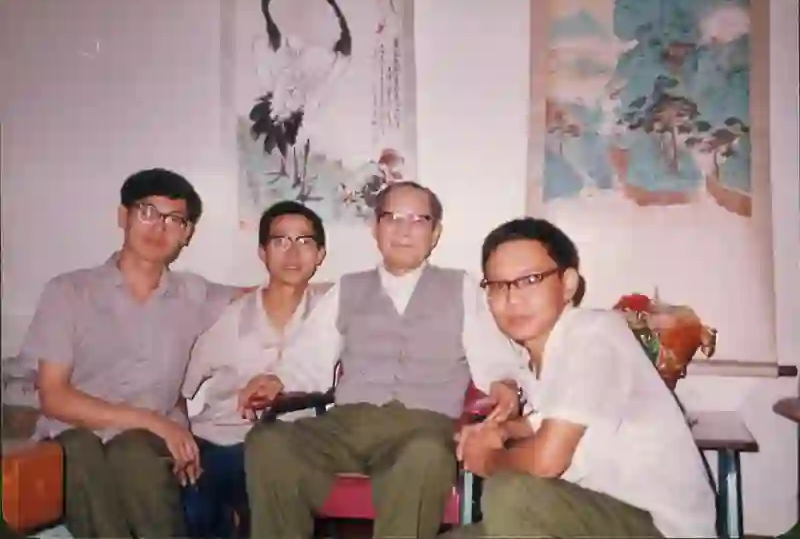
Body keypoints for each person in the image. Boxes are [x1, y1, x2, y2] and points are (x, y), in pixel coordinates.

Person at [241, 181, 528, 539]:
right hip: (345, 425)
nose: (404, 230)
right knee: (268, 441)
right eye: (393, 218)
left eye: (418, 220)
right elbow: (308, 358)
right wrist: (275, 381)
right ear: (375, 228)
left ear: (435, 233)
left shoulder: (462, 287)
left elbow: (494, 356)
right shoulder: (348, 288)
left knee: (425, 455)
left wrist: (505, 384)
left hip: (423, 426)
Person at [446, 217, 717, 538]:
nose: (512, 298)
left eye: (530, 280)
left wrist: (488, 459)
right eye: (497, 285)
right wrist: (498, 430)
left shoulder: (592, 334)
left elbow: (547, 460)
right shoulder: (539, 356)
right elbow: (545, 420)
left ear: (569, 284)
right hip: (594, 511)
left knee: (511, 492)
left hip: (658, 526)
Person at [19, 168, 250, 539]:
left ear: (187, 233)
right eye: (148, 212)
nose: (159, 227)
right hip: (76, 432)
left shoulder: (193, 294)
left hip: (147, 445)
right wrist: (153, 420)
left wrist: (342, 289)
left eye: (174, 219)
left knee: (134, 454)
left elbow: (267, 295)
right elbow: (54, 396)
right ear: (122, 216)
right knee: (78, 449)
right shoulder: (69, 291)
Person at [180, 201, 332, 538]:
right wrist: (179, 436)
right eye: (280, 241)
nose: (293, 252)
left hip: (292, 446)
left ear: (320, 254)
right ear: (263, 252)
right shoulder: (229, 316)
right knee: (193, 506)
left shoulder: (332, 311)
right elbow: (182, 386)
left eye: (304, 241)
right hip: (223, 440)